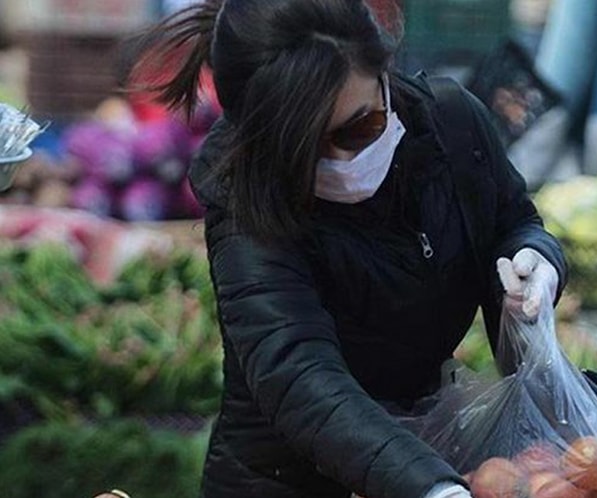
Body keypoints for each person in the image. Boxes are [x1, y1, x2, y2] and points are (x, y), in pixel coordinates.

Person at [123, 1, 567, 497]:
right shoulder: (244, 198)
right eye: (305, 148)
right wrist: (431, 487)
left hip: (430, 451)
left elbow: (510, 219)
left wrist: (537, 258)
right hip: (286, 481)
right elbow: (297, 373)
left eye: (361, 127)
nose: (341, 160)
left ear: (384, 73)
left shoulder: (453, 127)